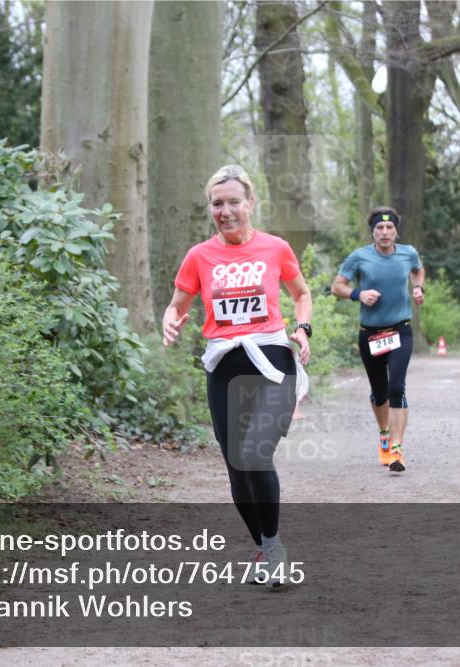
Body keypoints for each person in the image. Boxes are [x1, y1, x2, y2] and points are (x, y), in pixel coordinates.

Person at [162, 164, 312, 587]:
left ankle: (276, 551)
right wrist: (170, 320)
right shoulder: (199, 256)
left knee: (254, 454)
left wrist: (303, 329)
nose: (225, 211)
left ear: (251, 204)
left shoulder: (275, 248)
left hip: (271, 358)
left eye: (233, 202)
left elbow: (301, 293)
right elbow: (177, 304)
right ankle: (266, 546)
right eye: (216, 203)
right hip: (225, 363)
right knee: (235, 466)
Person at [330, 207, 424, 473]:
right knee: (379, 391)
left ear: (396, 230)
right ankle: (384, 434)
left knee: (397, 387)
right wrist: (358, 294)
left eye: (389, 228)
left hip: (400, 330)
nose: (385, 233)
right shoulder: (359, 257)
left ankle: (397, 449)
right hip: (370, 333)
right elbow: (337, 286)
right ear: (372, 231)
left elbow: (418, 271)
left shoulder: (408, 253)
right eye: (379, 228)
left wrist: (418, 288)